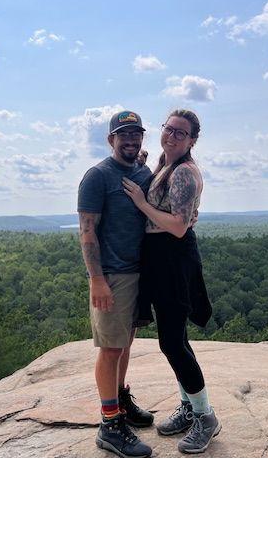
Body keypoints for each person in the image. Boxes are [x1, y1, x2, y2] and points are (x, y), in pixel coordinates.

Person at [122, 109, 221, 454]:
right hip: (161, 258)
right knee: (176, 340)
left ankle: (205, 417)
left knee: (173, 344)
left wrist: (140, 202)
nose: (173, 136)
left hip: (174, 259)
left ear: (192, 140)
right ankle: (190, 407)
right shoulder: (166, 164)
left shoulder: (185, 173)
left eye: (181, 133)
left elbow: (178, 226)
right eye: (169, 129)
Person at [77, 110, 155, 458]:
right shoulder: (97, 176)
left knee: (125, 342)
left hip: (139, 272)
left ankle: (120, 400)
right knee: (110, 348)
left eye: (135, 134)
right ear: (111, 139)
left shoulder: (141, 171)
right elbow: (87, 231)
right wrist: (97, 280)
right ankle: (109, 425)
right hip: (112, 275)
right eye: (123, 135)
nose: (130, 140)